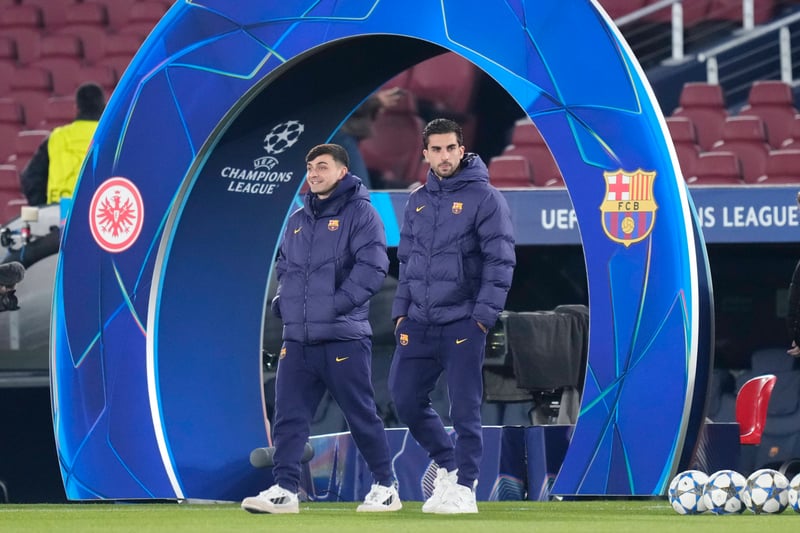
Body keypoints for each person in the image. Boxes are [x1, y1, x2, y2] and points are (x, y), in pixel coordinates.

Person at [241, 143, 401, 514]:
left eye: (322, 166)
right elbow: (284, 266)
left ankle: (385, 486)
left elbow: (373, 267)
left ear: (342, 171)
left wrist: (335, 305)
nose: (314, 173)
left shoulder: (362, 214)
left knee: (360, 414)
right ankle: (285, 489)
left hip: (343, 337)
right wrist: (283, 302)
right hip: (298, 338)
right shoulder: (297, 219)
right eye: (310, 167)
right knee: (288, 417)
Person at [388, 118, 515, 514]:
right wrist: (400, 314)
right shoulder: (416, 201)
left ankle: (465, 487)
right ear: (425, 154)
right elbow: (406, 262)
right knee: (404, 399)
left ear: (462, 150)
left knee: (464, 408)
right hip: (418, 322)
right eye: (436, 149)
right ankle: (449, 464)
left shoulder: (486, 198)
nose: (444, 156)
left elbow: (500, 261)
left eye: (450, 148)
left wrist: (481, 318)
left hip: (463, 321)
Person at [20, 82, 106, 206]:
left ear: (76, 108)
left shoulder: (57, 138)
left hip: (60, 210)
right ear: (105, 108)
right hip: (99, 209)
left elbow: (30, 178)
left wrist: (44, 206)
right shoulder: (113, 137)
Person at [332, 87, 404, 189]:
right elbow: (341, 99)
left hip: (339, 132)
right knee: (360, 190)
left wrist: (375, 105)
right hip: (338, 133)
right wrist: (376, 101)